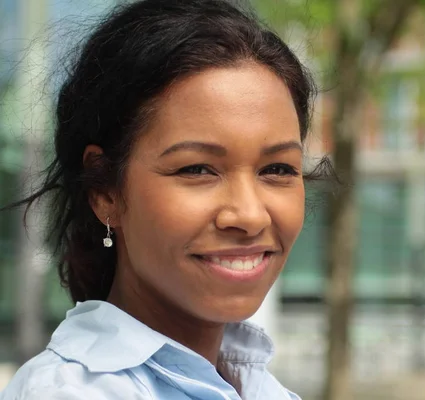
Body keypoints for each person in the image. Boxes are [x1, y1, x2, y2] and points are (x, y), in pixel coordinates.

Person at [0, 0, 330, 398]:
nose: (248, 214)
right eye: (196, 169)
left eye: (277, 169)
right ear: (105, 191)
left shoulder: (261, 388)